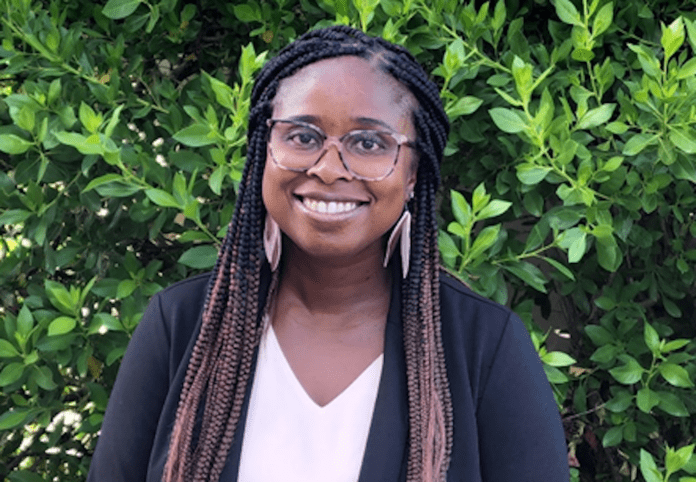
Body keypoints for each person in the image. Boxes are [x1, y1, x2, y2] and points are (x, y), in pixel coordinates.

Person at [87, 25, 569, 482]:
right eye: (302, 136)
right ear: (262, 151)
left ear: (413, 174)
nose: (329, 167)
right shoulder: (181, 325)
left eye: (368, 143)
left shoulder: (483, 346)